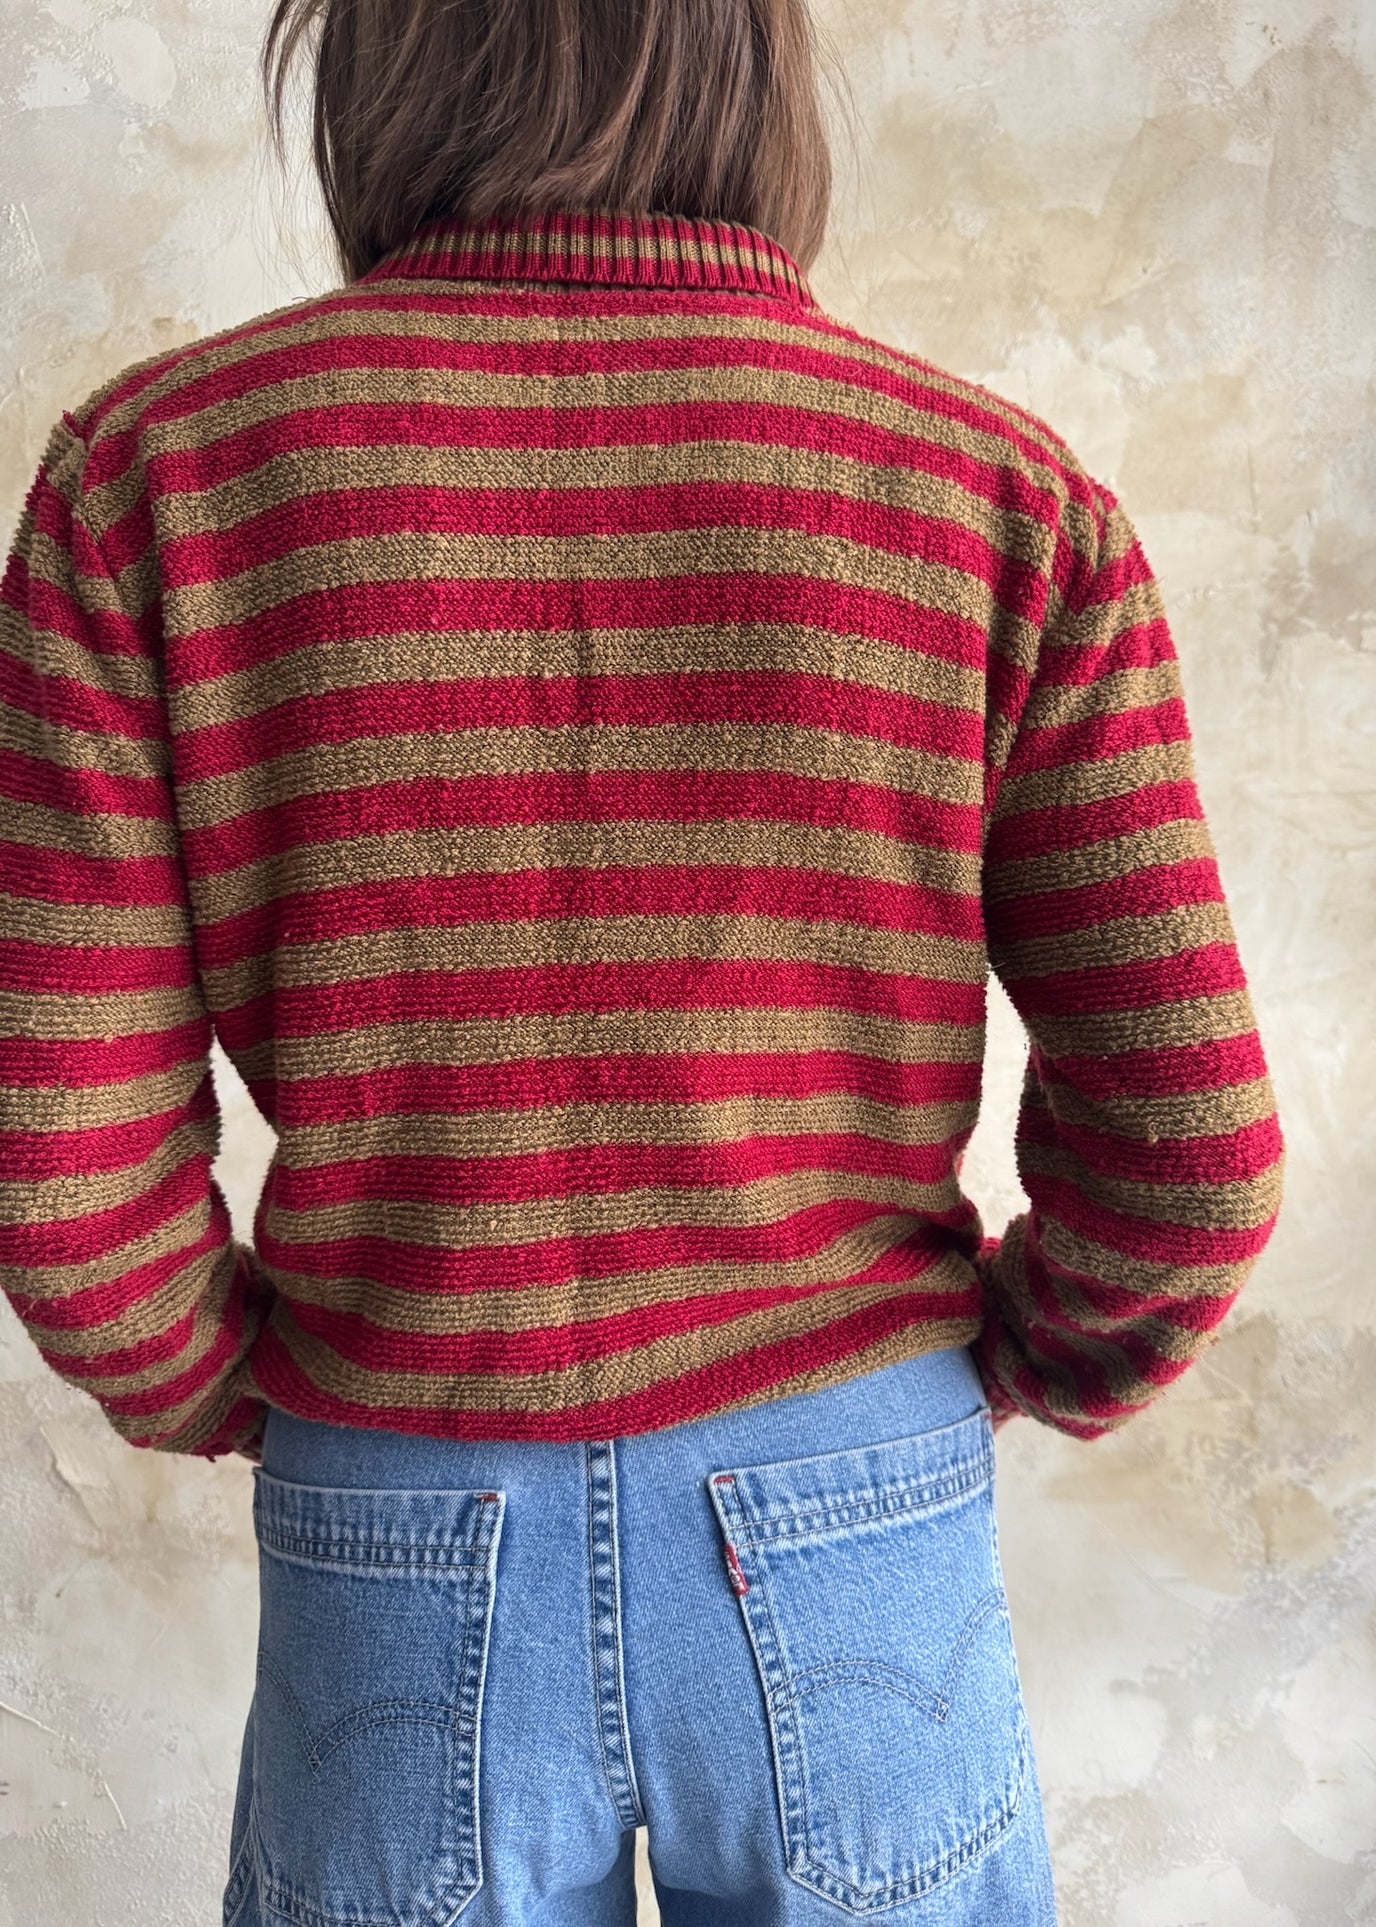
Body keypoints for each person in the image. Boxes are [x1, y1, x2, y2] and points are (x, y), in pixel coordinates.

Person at [0, 2, 1285, 1921]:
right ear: (753, 82)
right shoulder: (994, 503)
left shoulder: (156, 483)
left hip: (395, 1502)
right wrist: (1001, 1366)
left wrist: (222, 1381)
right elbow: (1194, 1151)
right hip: (856, 1485)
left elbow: (60, 1159)